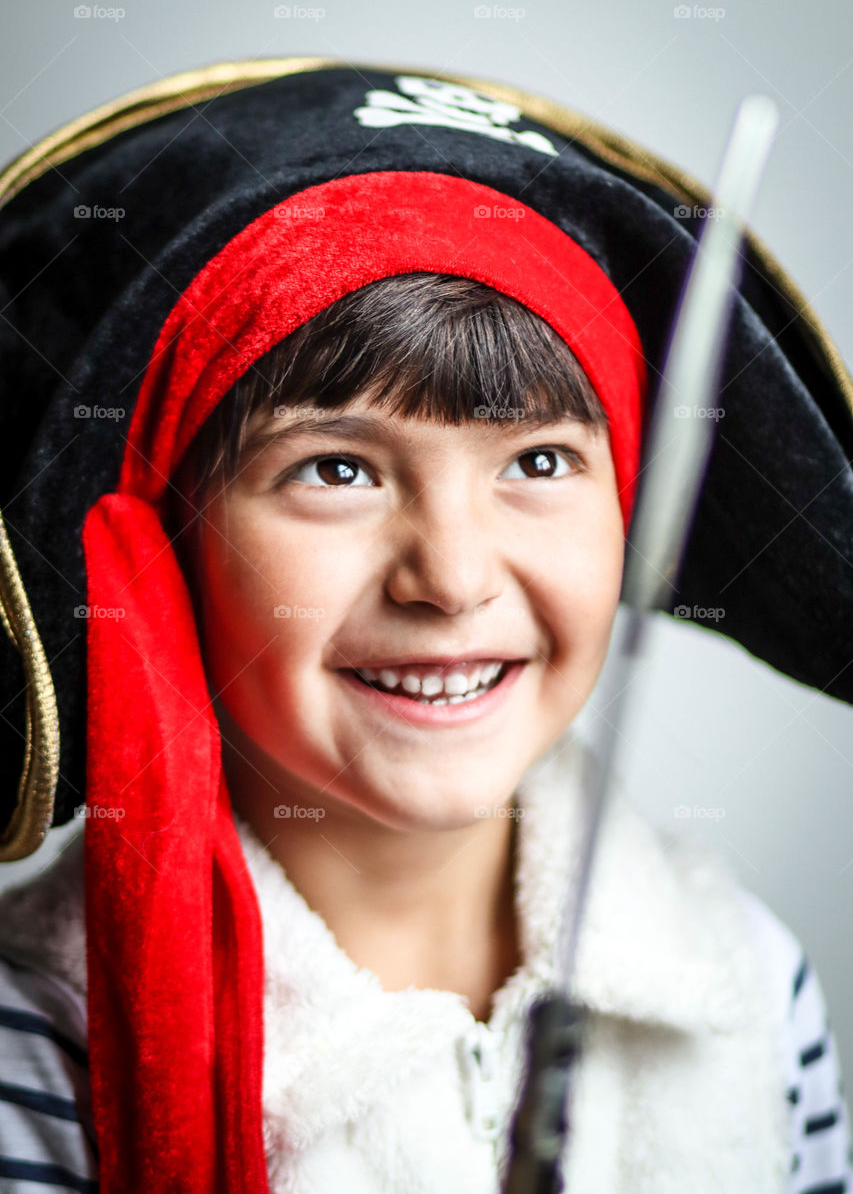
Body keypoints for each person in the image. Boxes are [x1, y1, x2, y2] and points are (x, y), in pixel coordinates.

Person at [0, 59, 850, 1194]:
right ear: (177, 537)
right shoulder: (32, 1040)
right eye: (337, 468)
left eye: (539, 461)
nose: (448, 578)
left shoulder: (747, 986)